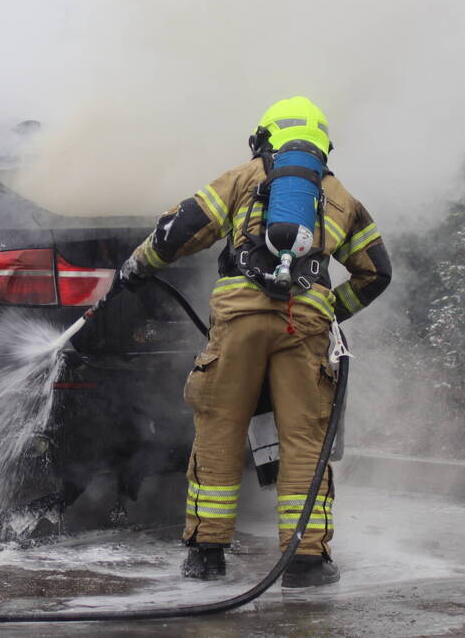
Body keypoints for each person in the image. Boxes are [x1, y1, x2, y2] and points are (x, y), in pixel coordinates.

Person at [117, 96, 391, 588]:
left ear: (264, 139)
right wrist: (330, 309)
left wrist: (137, 266)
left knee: (220, 428)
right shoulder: (340, 196)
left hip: (239, 320)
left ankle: (206, 555)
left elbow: (180, 230)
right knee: (304, 439)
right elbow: (377, 273)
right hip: (303, 324)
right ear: (321, 147)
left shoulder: (244, 177)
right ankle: (306, 561)